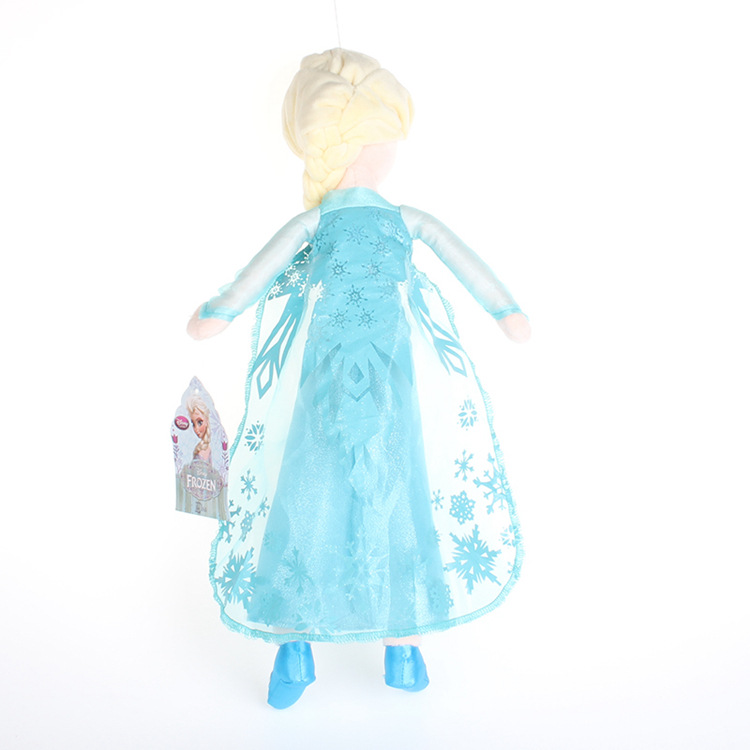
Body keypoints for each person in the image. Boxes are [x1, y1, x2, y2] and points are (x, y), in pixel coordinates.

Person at [188, 48, 530, 709]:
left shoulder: (372, 221)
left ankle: (363, 643)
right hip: (348, 381)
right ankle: (342, 644)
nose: (393, 148)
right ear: (356, 141)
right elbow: (261, 272)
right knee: (344, 491)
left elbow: (463, 262)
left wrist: (506, 310)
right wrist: (219, 311)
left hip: (370, 381)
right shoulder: (356, 222)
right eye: (385, 134)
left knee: (354, 489)